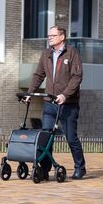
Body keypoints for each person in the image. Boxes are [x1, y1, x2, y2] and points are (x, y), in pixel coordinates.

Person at [25, 25, 86, 180]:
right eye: (49, 35)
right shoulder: (46, 54)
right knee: (45, 137)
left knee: (71, 138)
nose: (49, 37)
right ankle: (44, 170)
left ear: (62, 37)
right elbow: (39, 75)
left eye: (52, 35)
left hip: (68, 104)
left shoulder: (72, 53)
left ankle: (80, 167)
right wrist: (30, 93)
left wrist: (65, 95)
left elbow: (77, 77)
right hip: (49, 103)